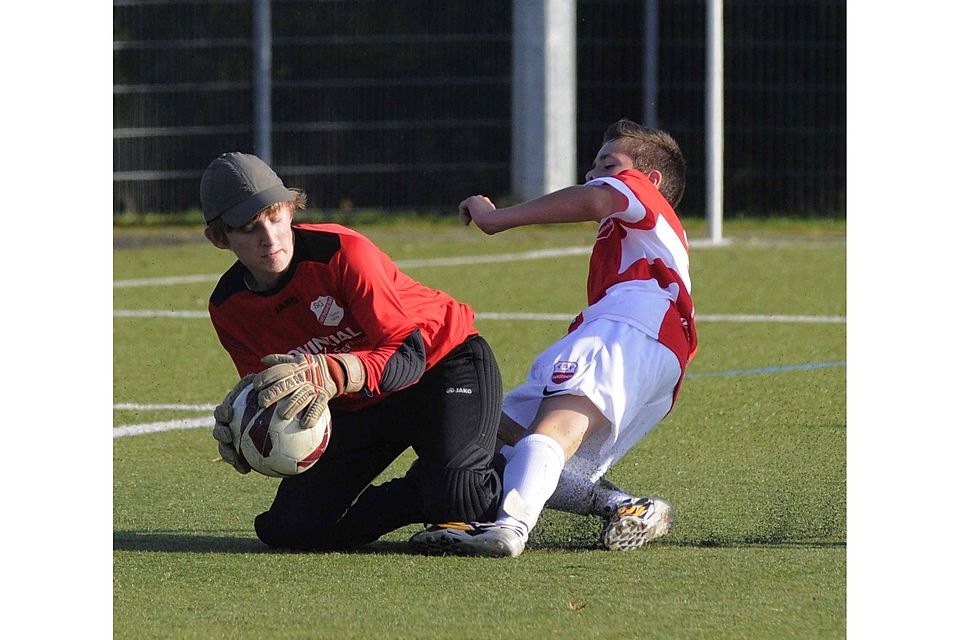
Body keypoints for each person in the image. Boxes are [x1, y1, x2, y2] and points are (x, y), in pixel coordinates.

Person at [409, 119, 698, 557]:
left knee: (550, 432)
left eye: (608, 163)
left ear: (649, 177)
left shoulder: (640, 193)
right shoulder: (640, 231)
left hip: (633, 325)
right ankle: (625, 506)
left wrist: (495, 218)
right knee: (489, 431)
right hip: (652, 347)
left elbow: (596, 196)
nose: (593, 173)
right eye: (594, 164)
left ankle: (509, 528)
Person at [201, 152, 503, 550]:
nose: (270, 237)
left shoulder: (342, 251)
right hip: (357, 403)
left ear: (291, 210)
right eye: (249, 227)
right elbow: (273, 391)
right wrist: (245, 429)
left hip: (444, 364)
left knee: (462, 497)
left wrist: (332, 372)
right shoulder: (228, 307)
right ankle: (434, 483)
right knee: (291, 532)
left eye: (276, 217)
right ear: (220, 238)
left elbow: (408, 355)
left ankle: (486, 465)